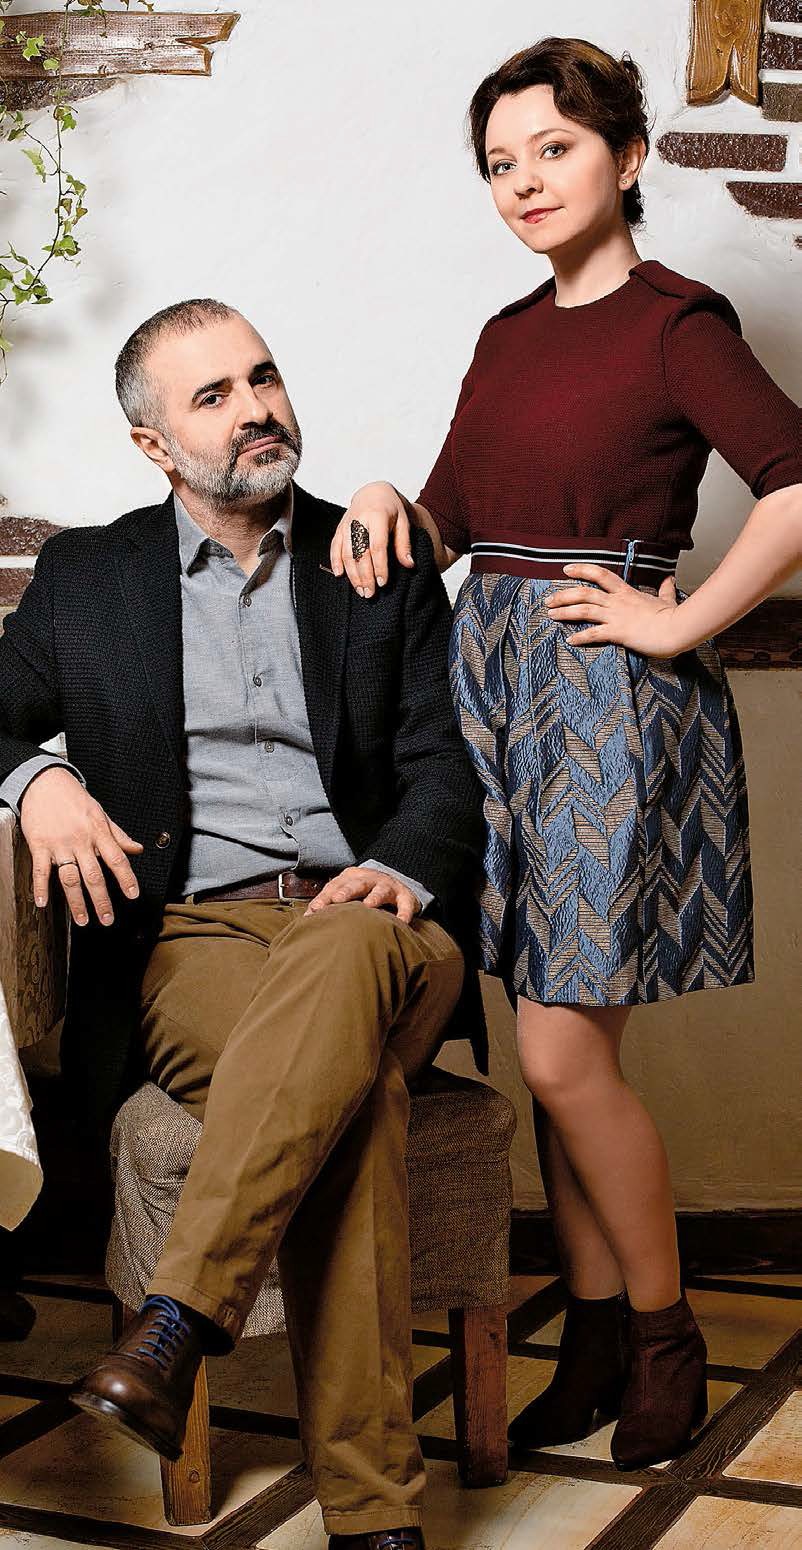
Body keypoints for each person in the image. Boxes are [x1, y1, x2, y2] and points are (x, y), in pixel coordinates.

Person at [329, 37, 802, 1469]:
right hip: (492, 703)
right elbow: (450, 522)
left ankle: (664, 1334)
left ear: (627, 156)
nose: (525, 181)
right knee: (554, 1044)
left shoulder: (676, 322)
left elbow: (795, 486)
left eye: (555, 147)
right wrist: (379, 493)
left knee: (557, 1045)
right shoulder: (505, 334)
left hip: (606, 711)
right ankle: (593, 1333)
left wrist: (679, 621)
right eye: (500, 162)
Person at [0, 298, 487, 1548]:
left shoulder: (370, 556)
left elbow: (444, 767)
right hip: (198, 940)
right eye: (213, 395)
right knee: (353, 1103)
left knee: (347, 944)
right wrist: (35, 780)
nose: (256, 407)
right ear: (152, 444)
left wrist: (397, 869)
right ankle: (376, 1517)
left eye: (262, 376)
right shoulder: (88, 576)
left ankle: (175, 1323)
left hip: (384, 922)